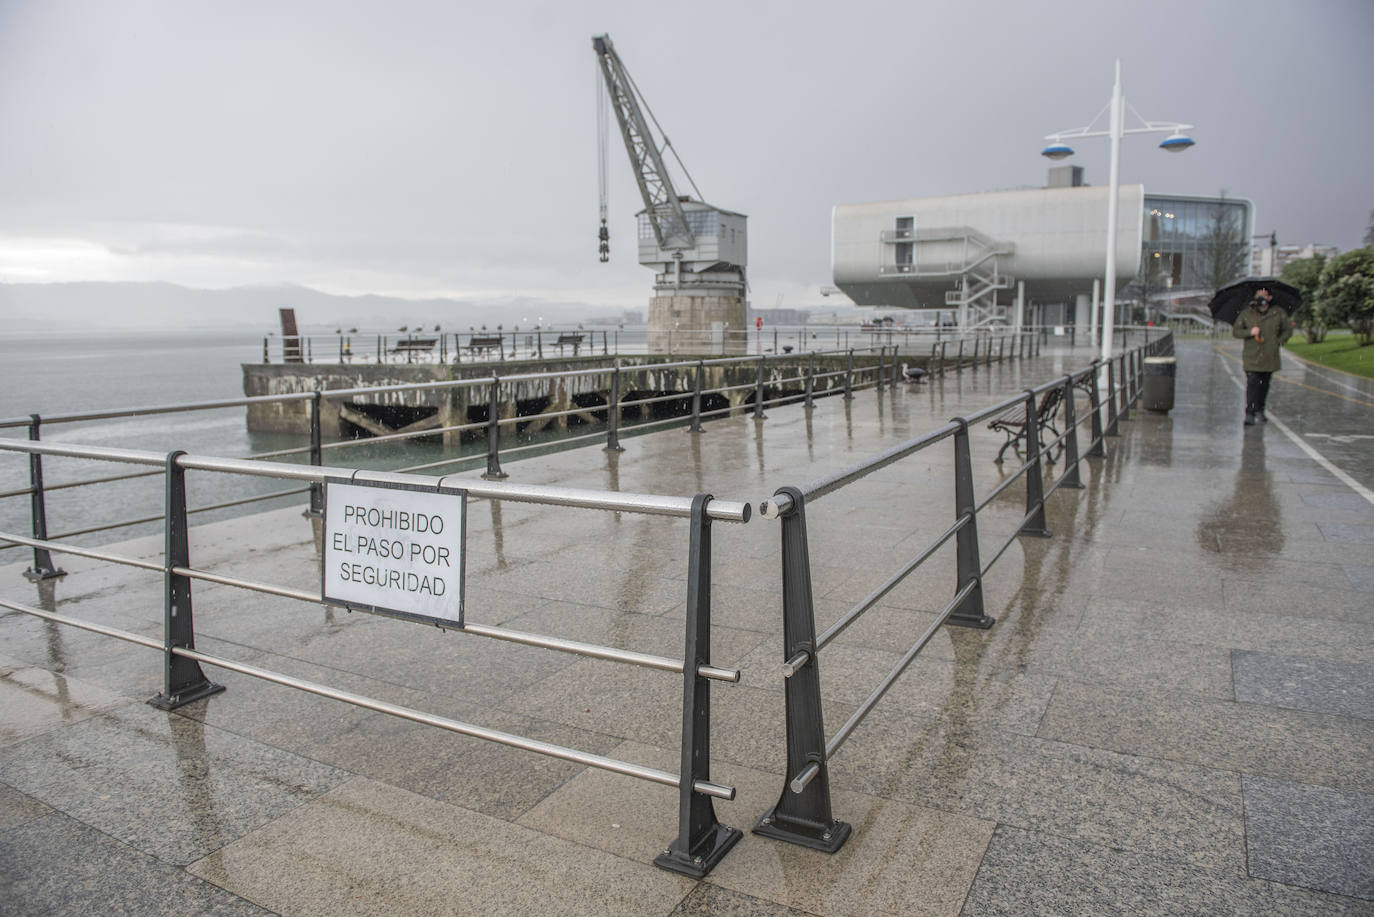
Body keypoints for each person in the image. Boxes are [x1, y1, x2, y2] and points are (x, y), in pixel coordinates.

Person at [1232, 288, 1294, 425]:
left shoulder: (1278, 313)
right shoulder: (1247, 314)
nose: (1261, 298)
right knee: (1253, 384)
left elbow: (1288, 330)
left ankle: (1260, 409)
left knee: (1264, 385)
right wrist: (1250, 332)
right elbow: (1236, 331)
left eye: (1264, 295)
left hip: (1269, 356)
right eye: (1258, 295)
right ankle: (1250, 412)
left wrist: (1279, 341)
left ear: (1270, 297)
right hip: (1252, 357)